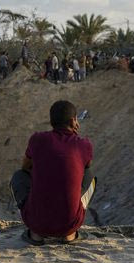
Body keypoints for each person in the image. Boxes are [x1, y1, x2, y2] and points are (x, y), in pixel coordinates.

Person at [10, 100, 96, 245]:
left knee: (18, 177)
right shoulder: (84, 144)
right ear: (73, 120)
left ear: (51, 121)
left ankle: (36, 235)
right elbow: (85, 168)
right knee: (90, 176)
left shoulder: (37, 139)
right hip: (70, 224)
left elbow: (24, 167)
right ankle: (69, 235)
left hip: (36, 222)